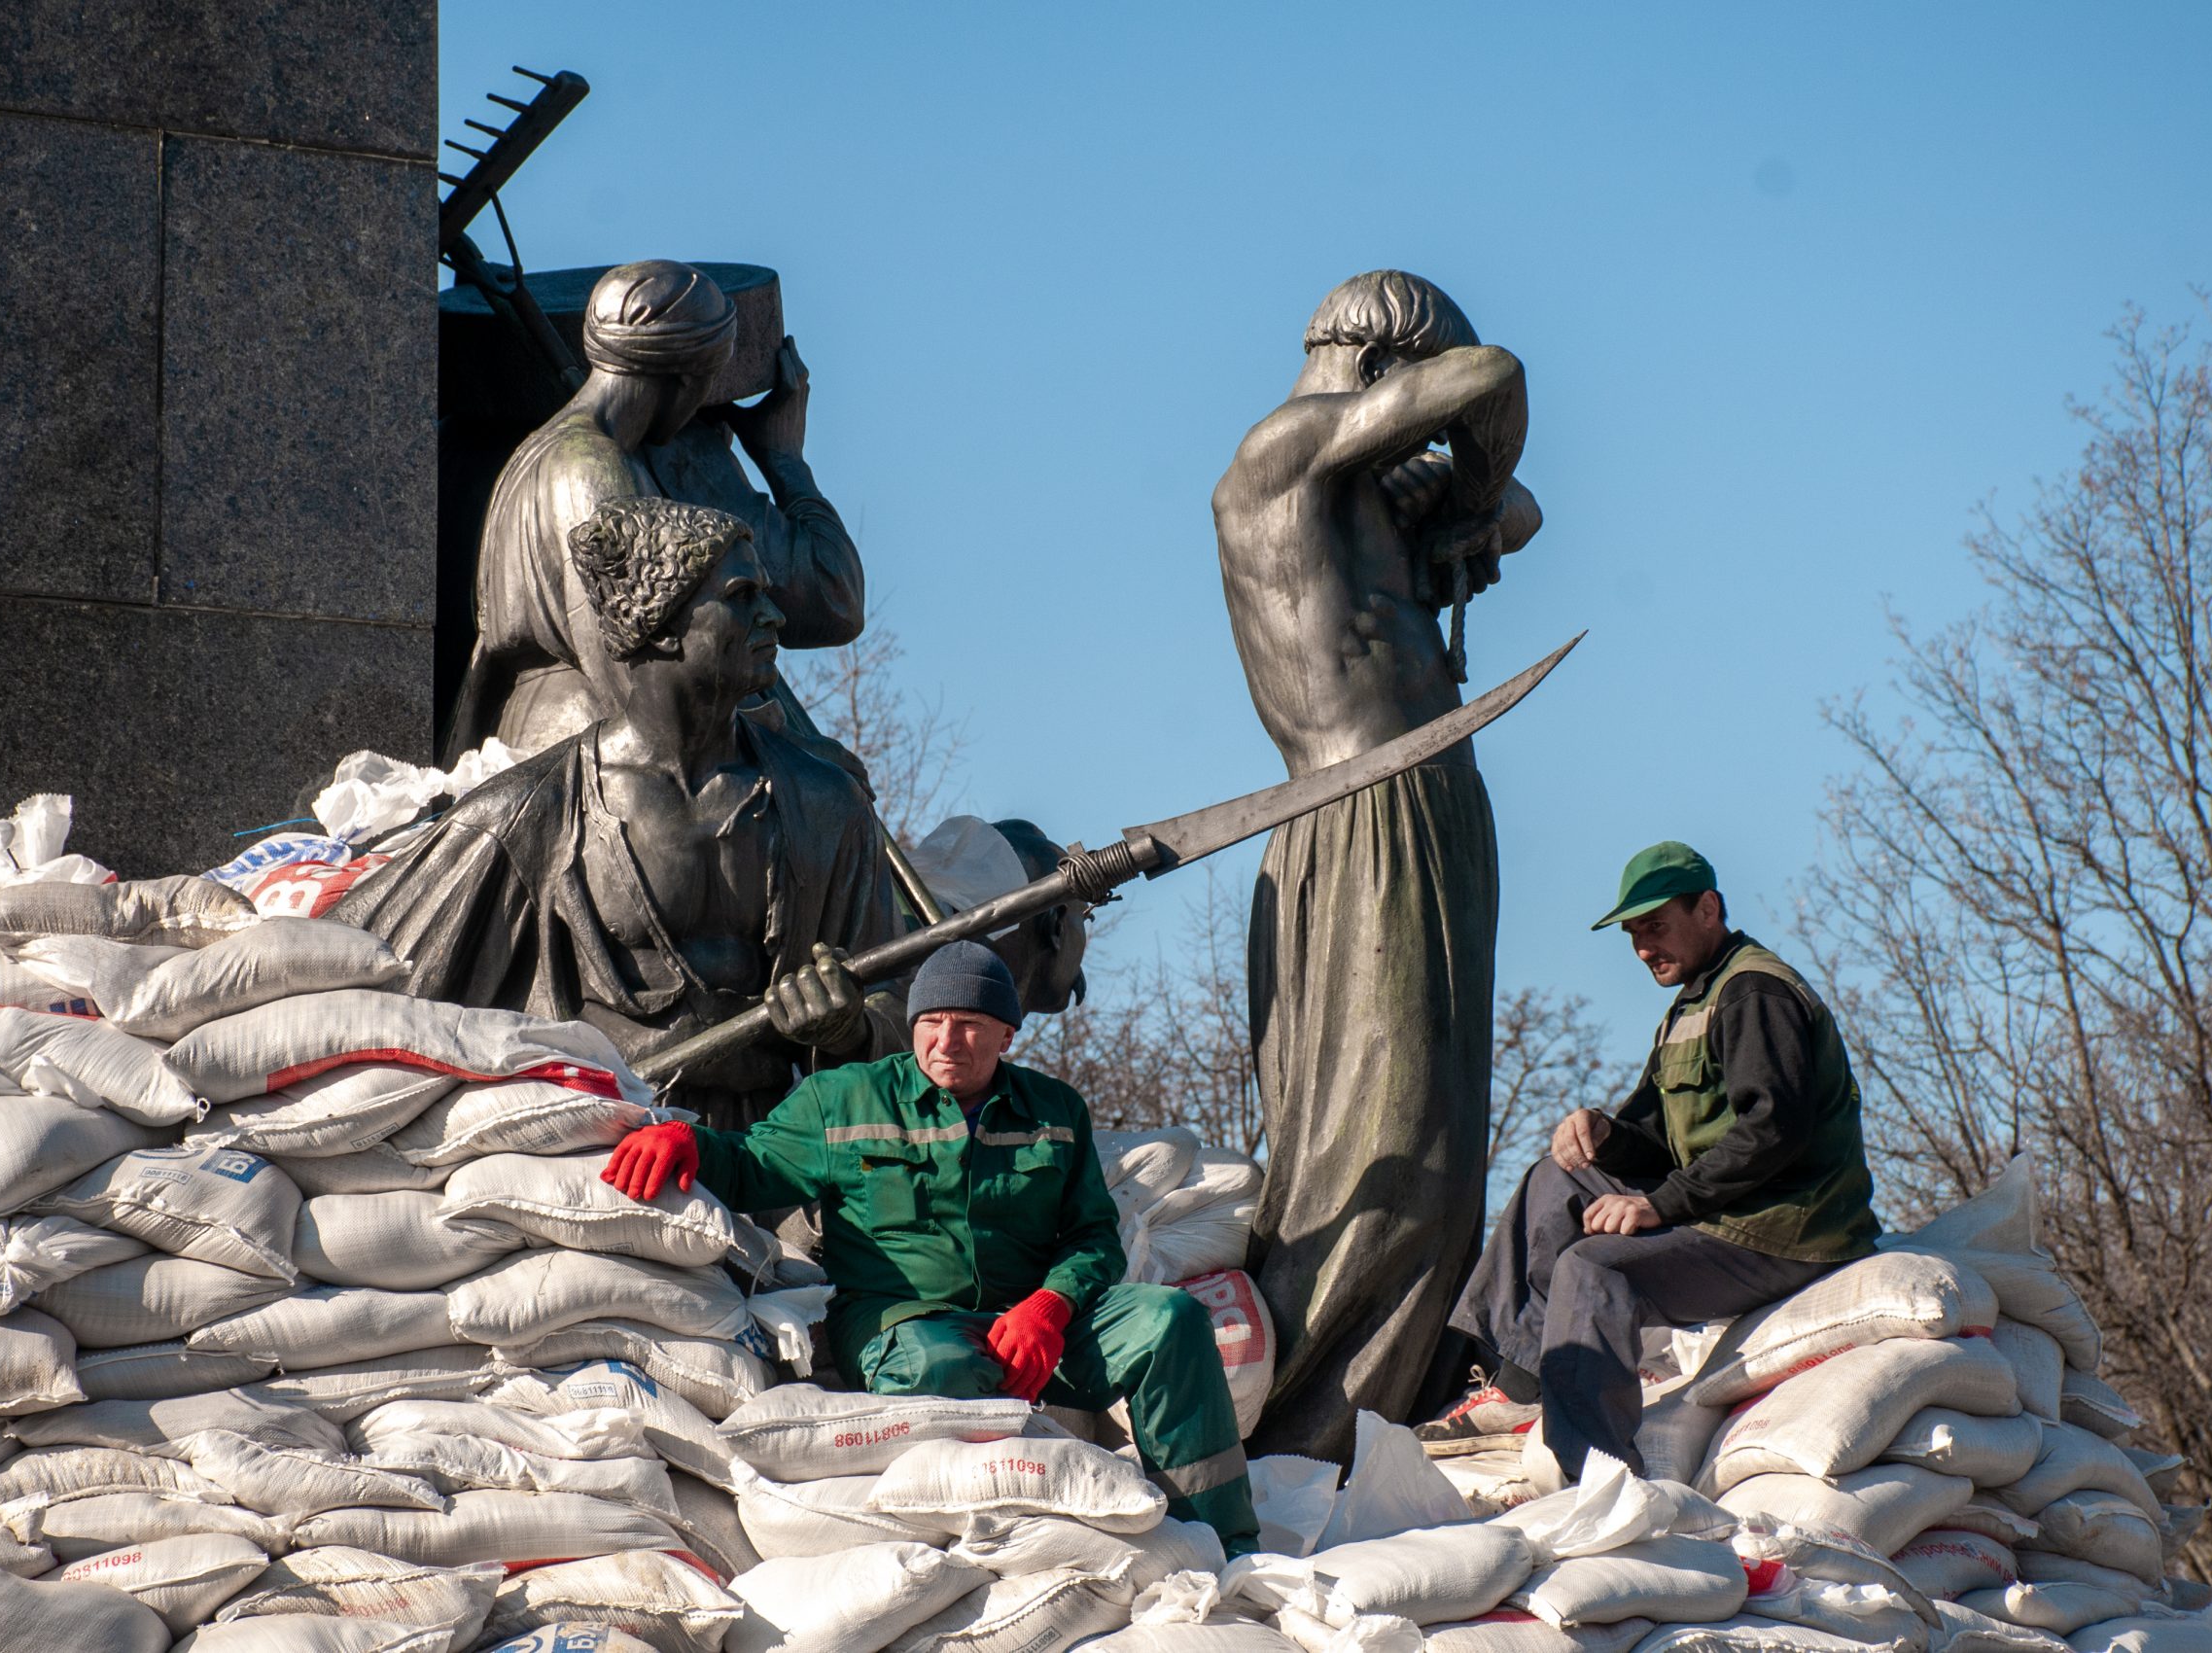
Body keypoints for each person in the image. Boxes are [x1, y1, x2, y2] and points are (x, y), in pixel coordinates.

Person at [600, 939, 1260, 1554]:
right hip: (900, 1324)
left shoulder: (1054, 1111)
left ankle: (1218, 1545)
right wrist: (687, 1142)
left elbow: (1091, 1236)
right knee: (943, 1373)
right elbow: (753, 1164)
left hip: (1029, 1328)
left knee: (1169, 1322)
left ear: (1007, 1033)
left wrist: (1052, 1307)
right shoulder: (844, 1099)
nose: (947, 1041)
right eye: (932, 1021)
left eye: (970, 1024)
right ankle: (998, 1547)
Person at [1211, 268, 1542, 1460]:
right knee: (1380, 1133)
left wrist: (1454, 504)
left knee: (1445, 1147)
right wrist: (1464, 481)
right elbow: (1490, 377)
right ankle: (1298, 1424)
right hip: (1362, 806)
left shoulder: (1355, 490)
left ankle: (1379, 1412)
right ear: (1383, 373)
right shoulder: (1281, 452)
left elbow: (1524, 515)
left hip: (1428, 796)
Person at [339, 496, 903, 1130]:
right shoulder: (530, 813)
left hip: (767, 1168)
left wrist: (854, 1031)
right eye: (743, 595)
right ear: (660, 623)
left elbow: (904, 1001)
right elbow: (357, 972)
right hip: (599, 1161)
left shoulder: (825, 806)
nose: (772, 615)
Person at [1425, 841, 1881, 1476]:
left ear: (1708, 909)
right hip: (1728, 1212)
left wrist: (1658, 1205)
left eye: (1656, 927)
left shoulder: (1754, 993)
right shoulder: (1691, 1006)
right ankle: (1520, 1382)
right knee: (1556, 1177)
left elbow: (1774, 1130)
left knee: (1594, 1271)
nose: (1643, 948)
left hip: (1785, 1229)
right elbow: (1656, 1139)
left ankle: (1597, 1478)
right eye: (1634, 934)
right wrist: (1601, 1133)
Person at [449, 259, 865, 757]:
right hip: (575, 754)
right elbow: (635, 680)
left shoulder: (555, 452)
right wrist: (795, 760)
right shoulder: (589, 471)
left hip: (579, 742)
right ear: (690, 380)